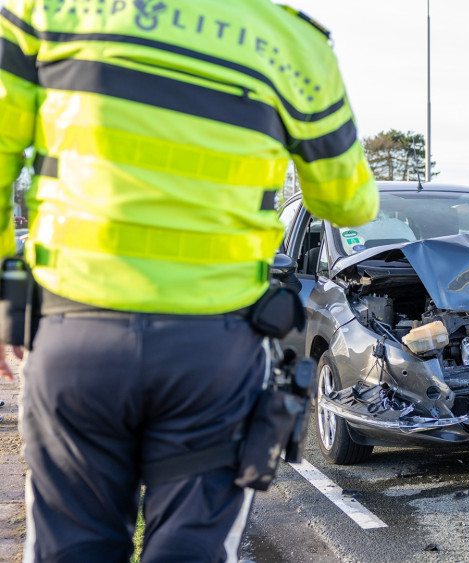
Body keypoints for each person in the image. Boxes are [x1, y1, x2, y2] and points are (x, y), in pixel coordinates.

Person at [0, 1, 378, 561]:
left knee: (69, 546)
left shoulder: (47, 11)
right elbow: (348, 203)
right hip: (213, 355)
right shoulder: (295, 45)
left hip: (75, 333)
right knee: (194, 549)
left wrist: (9, 302)